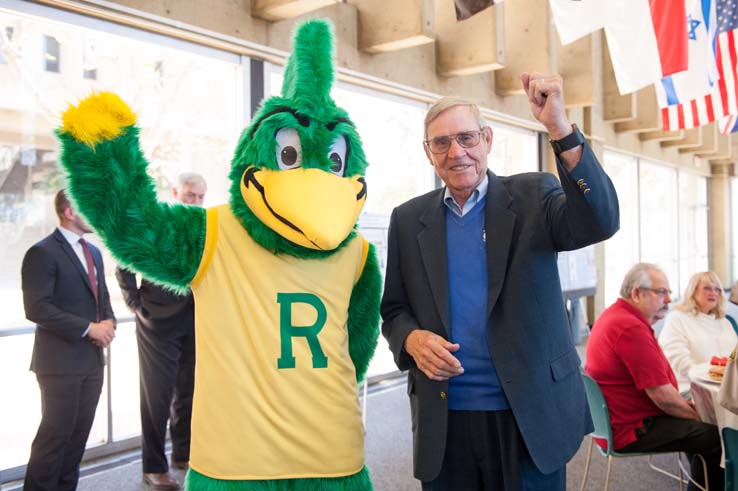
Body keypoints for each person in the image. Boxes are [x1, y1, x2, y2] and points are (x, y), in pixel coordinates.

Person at [380, 73, 620, 490]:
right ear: (428, 153)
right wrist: (412, 339)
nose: (456, 152)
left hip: (528, 418)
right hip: (446, 423)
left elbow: (600, 219)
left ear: (488, 139)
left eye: (467, 138)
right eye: (442, 143)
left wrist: (559, 129)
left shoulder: (533, 195)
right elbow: (394, 310)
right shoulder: (406, 219)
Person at [586, 263, 722, 491]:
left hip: (610, 422)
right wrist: (701, 417)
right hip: (629, 428)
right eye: (661, 292)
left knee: (700, 430)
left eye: (669, 292)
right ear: (637, 293)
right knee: (716, 436)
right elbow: (664, 398)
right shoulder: (630, 328)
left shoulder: (614, 315)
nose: (668, 299)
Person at [115, 173, 206, 491]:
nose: (194, 201)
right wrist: (134, 302)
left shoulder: (203, 227)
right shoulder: (155, 222)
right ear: (175, 192)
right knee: (156, 396)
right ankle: (153, 467)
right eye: (189, 195)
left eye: (199, 197)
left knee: (187, 392)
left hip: (194, 321)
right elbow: (125, 260)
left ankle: (183, 453)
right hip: (156, 322)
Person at [22, 190, 116, 491]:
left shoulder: (94, 253)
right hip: (59, 364)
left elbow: (101, 297)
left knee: (77, 439)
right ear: (70, 211)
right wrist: (89, 328)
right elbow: (37, 308)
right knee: (54, 438)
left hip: (91, 362)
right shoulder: (42, 252)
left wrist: (109, 322)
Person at [659, 271, 737, 395]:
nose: (713, 293)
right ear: (693, 292)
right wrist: (711, 376)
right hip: (694, 388)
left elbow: (735, 356)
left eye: (717, 289)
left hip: (727, 387)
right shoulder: (677, 318)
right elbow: (677, 359)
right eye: (707, 288)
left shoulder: (724, 322)